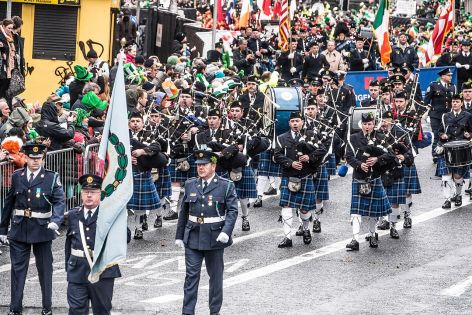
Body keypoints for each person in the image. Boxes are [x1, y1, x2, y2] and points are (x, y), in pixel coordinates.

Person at [0, 143, 65, 315]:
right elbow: (9, 203)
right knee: (17, 271)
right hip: (19, 229)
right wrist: (2, 229)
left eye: (39, 158)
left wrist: (56, 221)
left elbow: (59, 202)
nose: (36, 161)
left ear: (42, 158)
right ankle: (15, 309)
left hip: (43, 230)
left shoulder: (51, 177)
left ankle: (47, 308)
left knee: (45, 272)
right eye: (32, 158)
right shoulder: (17, 176)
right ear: (26, 158)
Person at [175, 149, 238, 315]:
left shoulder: (226, 185)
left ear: (213, 166)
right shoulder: (190, 184)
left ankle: (214, 311)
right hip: (193, 236)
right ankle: (187, 312)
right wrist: (179, 236)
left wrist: (226, 231)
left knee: (215, 278)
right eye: (198, 165)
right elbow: (184, 211)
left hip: (215, 237)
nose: (200, 168)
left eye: (204, 164)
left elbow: (232, 211)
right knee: (191, 277)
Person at [65, 174, 121, 315]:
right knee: (76, 311)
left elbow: (124, 238)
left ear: (100, 194)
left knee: (102, 310)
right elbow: (69, 244)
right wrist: (69, 267)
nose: (89, 195)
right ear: (81, 194)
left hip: (102, 271)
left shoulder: (109, 215)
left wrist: (118, 218)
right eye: (86, 192)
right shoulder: (73, 215)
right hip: (77, 271)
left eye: (93, 192)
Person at [274, 111, 327, 248]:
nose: (295, 123)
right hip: (289, 175)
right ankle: (287, 237)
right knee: (286, 205)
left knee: (304, 209)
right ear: (289, 123)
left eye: (297, 121)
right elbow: (276, 155)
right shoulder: (281, 138)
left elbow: (322, 149)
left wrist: (310, 157)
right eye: (292, 121)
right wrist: (290, 163)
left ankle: (305, 228)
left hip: (305, 175)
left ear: (302, 122)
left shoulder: (310, 135)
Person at [345, 112, 395, 250]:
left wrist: (377, 159)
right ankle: (355, 240)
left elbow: (391, 155)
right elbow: (348, 156)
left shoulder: (381, 137)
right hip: (359, 177)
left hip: (374, 177)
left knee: (373, 212)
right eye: (365, 124)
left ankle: (373, 235)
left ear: (374, 124)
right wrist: (359, 164)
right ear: (362, 124)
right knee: (356, 211)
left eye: (370, 124)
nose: (368, 127)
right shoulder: (353, 138)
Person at [437, 93, 472, 209]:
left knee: (457, 175)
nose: (455, 104)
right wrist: (442, 135)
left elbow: (471, 131)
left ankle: (458, 195)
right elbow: (440, 131)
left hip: (462, 148)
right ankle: (447, 199)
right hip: (447, 148)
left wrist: (469, 134)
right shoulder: (445, 116)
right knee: (446, 175)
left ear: (461, 103)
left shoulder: (467, 115)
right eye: (453, 102)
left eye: (457, 102)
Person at [425, 68, 456, 163]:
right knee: (437, 134)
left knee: (449, 134)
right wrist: (427, 113)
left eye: (451, 75)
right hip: (436, 115)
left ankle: (447, 153)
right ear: (442, 76)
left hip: (448, 115)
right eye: (448, 75)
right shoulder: (433, 85)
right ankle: (435, 155)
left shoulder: (452, 86)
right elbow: (426, 100)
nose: (450, 77)